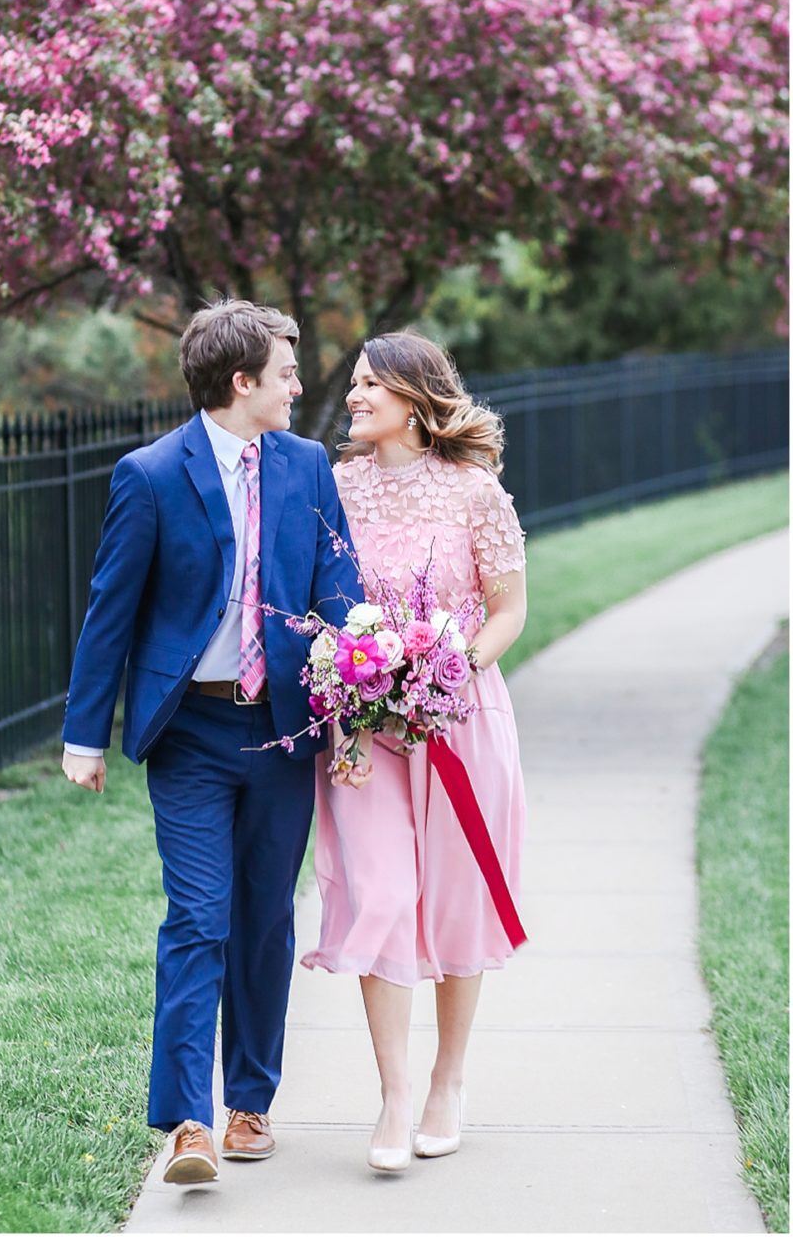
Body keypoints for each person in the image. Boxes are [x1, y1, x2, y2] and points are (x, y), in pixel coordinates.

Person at [61, 299, 363, 1185]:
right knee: (197, 918)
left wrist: (355, 696)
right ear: (241, 383)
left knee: (265, 920)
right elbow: (110, 610)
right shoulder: (151, 475)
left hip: (282, 733)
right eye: (285, 373)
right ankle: (188, 1123)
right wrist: (85, 734)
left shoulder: (308, 466)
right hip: (190, 732)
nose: (300, 387)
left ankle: (248, 1104)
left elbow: (337, 584)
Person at [302, 330, 527, 1172]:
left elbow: (507, 611)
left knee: (457, 899)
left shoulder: (475, 493)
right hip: (362, 728)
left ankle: (446, 1080)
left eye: (367, 385)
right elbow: (319, 606)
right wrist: (350, 702)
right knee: (383, 893)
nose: (353, 397)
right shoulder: (334, 490)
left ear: (410, 397)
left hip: (459, 722)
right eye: (353, 385)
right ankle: (394, 1094)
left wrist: (445, 665)